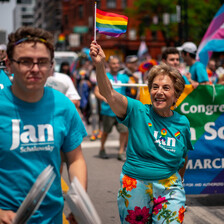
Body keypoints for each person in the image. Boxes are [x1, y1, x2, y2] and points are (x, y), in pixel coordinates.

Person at [90, 41, 193, 224]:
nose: (159, 92)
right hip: (135, 185)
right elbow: (109, 93)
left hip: (170, 187)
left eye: (166, 88)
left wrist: (180, 181)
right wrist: (100, 65)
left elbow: (183, 157)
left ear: (176, 95)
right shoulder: (137, 111)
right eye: (155, 87)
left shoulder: (182, 122)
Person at [0, 26, 87, 224]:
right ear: (9, 65)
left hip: (53, 218)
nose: (35, 69)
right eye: (26, 61)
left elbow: (75, 159)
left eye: (42, 62)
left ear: (51, 66)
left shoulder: (64, 106)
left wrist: (78, 201)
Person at [94, 55, 129, 161]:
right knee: (106, 132)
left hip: (121, 110)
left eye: (117, 63)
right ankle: (102, 149)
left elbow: (134, 86)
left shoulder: (124, 77)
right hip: (107, 111)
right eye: (113, 63)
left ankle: (121, 151)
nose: (116, 65)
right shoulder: (104, 76)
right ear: (109, 65)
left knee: (124, 131)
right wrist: (104, 98)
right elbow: (96, 91)